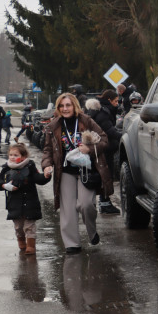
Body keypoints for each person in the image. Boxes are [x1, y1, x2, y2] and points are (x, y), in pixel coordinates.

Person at [41, 93, 111, 254]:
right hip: (65, 171)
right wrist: (46, 165)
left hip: (86, 170)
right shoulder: (53, 126)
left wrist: (89, 149)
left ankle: (92, 231)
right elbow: (48, 149)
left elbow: (104, 140)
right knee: (68, 209)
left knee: (86, 204)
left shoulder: (87, 121)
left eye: (68, 105)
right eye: (61, 106)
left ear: (75, 106)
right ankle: (72, 244)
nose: (65, 109)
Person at [0, 142, 50, 255]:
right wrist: (4, 186)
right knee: (18, 226)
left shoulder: (30, 166)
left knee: (29, 226)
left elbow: (38, 179)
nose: (12, 157)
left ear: (23, 157)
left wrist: (46, 176)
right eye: (11, 155)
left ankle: (31, 246)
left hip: (30, 202)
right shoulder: (6, 168)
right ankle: (21, 242)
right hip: (14, 204)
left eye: (16, 155)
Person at [86, 90, 122, 214]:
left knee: (103, 176)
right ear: (109, 100)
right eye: (115, 101)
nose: (117, 104)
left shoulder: (99, 110)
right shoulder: (103, 113)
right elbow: (109, 131)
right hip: (104, 150)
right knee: (106, 176)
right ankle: (105, 204)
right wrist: (123, 136)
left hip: (101, 149)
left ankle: (103, 202)